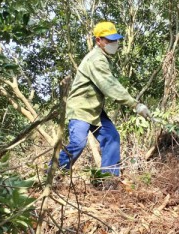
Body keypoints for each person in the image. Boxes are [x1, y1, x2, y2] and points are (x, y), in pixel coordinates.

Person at [55, 21, 151, 185]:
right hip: (81, 108)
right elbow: (109, 85)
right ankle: (52, 175)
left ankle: (107, 181)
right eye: (109, 40)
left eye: (115, 40)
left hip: (95, 109)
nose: (114, 44)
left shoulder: (103, 58)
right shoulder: (96, 60)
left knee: (112, 137)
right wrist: (136, 105)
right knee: (78, 143)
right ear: (98, 40)